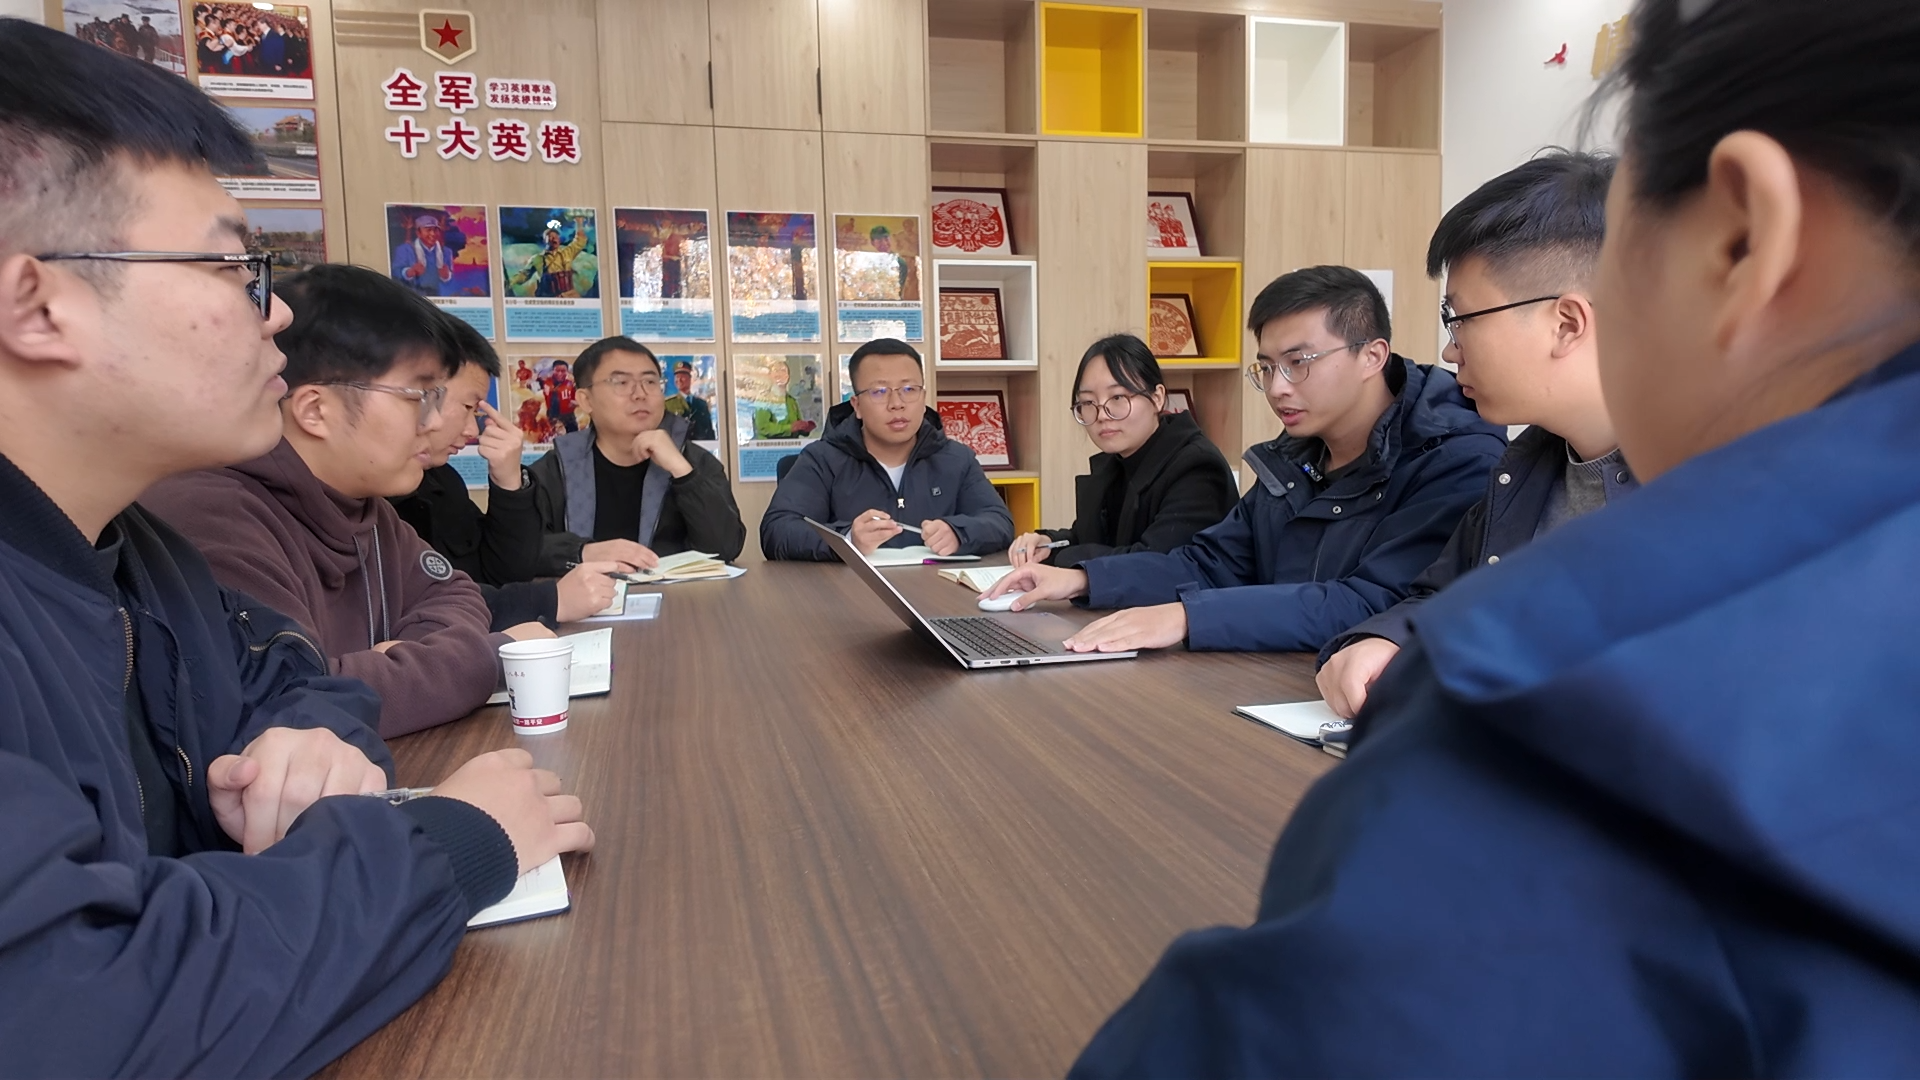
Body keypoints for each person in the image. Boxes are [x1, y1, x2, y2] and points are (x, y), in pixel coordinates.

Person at [1072, 0, 1920, 1072]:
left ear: (1745, 238)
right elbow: (1417, 592)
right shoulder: (1520, 469)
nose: (1449, 351)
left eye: (1626, 256)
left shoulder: (1558, 686)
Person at [0, 21, 589, 1074]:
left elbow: (305, 681)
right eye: (233, 267)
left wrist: (303, 735)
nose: (273, 313)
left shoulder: (138, 554)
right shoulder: (177, 525)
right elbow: (72, 1005)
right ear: (38, 307)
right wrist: (450, 846)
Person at [987, 267, 1506, 654]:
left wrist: (1187, 616)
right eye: (1267, 367)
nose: (1277, 388)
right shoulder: (1294, 457)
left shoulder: (1454, 457)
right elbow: (1209, 563)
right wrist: (1083, 579)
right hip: (1268, 679)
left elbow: (1373, 603)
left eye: (1298, 363)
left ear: (1371, 356)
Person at [144, 264, 555, 739]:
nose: (432, 422)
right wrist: (490, 657)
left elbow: (454, 593)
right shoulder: (215, 516)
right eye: (419, 397)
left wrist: (406, 661)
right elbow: (298, 702)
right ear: (316, 410)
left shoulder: (364, 506)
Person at [1316, 150, 1636, 719]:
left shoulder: (1715, 483)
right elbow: (1442, 598)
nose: (1449, 349)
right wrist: (1385, 640)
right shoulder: (1526, 468)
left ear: (1566, 324)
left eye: (1460, 318)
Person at [389, 315, 626, 629]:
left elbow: (501, 573)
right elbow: (420, 605)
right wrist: (548, 599)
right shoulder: (558, 463)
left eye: (651, 382)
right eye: (468, 407)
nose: (473, 431)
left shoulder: (442, 480)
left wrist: (509, 481)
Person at [761, 338, 1015, 560]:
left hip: (936, 590)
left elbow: (999, 521)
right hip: (850, 592)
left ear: (923, 397)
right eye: (879, 391)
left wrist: (959, 533)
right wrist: (847, 540)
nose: (897, 404)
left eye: (909, 389)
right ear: (857, 405)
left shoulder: (956, 459)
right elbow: (777, 531)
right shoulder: (822, 459)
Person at [1006, 333, 1238, 570]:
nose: (1102, 415)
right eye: (1088, 402)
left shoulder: (1197, 467)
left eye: (1117, 397)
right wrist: (1049, 544)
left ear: (1157, 398)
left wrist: (1065, 558)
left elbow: (1155, 563)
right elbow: (1089, 539)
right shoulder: (1115, 462)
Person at [527, 336, 746, 574]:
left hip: (677, 596)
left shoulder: (693, 462)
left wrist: (682, 472)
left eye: (650, 382)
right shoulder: (557, 467)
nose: (640, 394)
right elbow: (517, 548)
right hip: (583, 596)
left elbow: (725, 549)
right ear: (586, 400)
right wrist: (581, 552)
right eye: (621, 382)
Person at [511, 215, 590, 298]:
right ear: (544, 240)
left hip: (569, 295)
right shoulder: (537, 259)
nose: (554, 239)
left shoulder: (567, 252)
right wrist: (511, 282)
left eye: (556, 237)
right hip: (548, 297)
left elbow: (580, 241)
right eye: (550, 237)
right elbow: (524, 275)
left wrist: (579, 223)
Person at [391, 212, 455, 297]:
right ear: (418, 233)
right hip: (412, 296)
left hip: (438, 297)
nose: (433, 234)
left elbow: (452, 280)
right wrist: (409, 272)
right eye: (428, 230)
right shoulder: (405, 249)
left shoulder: (446, 252)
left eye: (435, 230)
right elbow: (395, 272)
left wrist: (447, 276)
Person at [751, 357, 815, 439]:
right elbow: (763, 428)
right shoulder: (763, 400)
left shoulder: (791, 401)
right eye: (776, 371)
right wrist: (790, 428)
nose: (780, 374)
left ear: (788, 376)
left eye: (783, 370)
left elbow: (797, 426)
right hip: (770, 446)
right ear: (770, 376)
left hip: (792, 445)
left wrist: (805, 427)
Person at [662, 357, 716, 441]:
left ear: (690, 378)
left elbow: (709, 431)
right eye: (677, 377)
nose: (679, 380)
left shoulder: (701, 404)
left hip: (699, 446)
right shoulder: (668, 404)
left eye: (682, 377)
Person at [542, 357, 579, 434]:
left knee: (573, 435)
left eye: (563, 371)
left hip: (568, 415)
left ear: (567, 371)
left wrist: (576, 403)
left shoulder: (571, 384)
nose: (560, 373)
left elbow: (577, 398)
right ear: (553, 370)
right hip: (552, 414)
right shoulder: (547, 382)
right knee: (553, 436)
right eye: (557, 370)